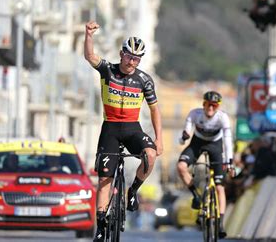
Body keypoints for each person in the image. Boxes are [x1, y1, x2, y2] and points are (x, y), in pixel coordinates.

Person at [84, 21, 163, 242]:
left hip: (132, 128)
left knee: (150, 155)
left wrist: (160, 139)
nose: (131, 62)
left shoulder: (144, 80)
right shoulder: (107, 69)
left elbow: (155, 111)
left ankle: (133, 191)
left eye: (136, 59)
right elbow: (90, 56)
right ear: (122, 54)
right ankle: (100, 228)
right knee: (104, 181)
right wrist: (88, 35)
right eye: (129, 56)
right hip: (110, 127)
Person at [176, 91, 234, 239]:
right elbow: (183, 138)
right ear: (203, 104)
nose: (211, 108)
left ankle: (220, 223)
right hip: (197, 143)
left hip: (215, 145)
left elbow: (227, 141)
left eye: (214, 105)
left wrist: (230, 161)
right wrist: (183, 137)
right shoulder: (195, 114)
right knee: (181, 166)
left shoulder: (223, 118)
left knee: (220, 187)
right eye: (208, 104)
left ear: (218, 107)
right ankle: (196, 196)